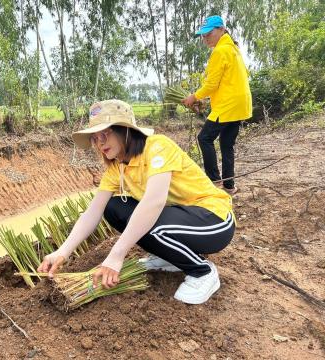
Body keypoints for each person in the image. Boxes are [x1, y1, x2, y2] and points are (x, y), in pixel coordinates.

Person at [37, 99, 235, 305]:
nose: (100, 143)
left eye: (105, 134)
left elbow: (154, 202)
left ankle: (202, 272)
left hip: (215, 221)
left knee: (155, 226)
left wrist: (116, 255)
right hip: (180, 219)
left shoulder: (157, 146)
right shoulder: (116, 168)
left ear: (125, 130)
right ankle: (170, 257)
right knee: (113, 208)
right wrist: (63, 251)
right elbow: (92, 212)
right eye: (95, 138)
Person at [182, 15, 252, 195]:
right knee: (226, 144)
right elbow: (227, 80)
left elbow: (212, 84)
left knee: (204, 138)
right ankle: (229, 186)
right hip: (240, 104)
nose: (205, 38)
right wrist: (206, 98)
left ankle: (214, 182)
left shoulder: (220, 51)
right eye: (203, 35)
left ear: (221, 29)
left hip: (228, 105)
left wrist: (194, 97)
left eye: (208, 34)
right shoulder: (233, 48)